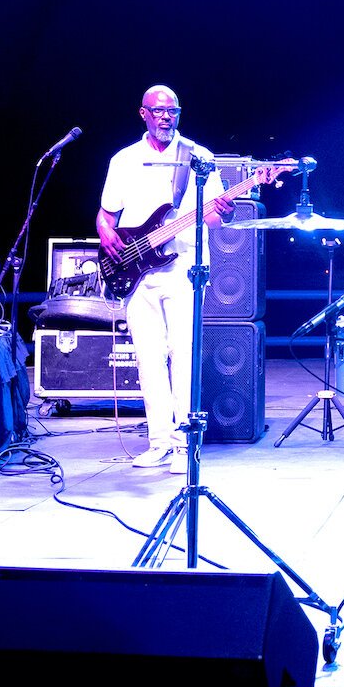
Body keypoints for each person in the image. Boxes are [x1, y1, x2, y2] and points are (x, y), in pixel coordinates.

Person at [96, 86, 233, 469]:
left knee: (184, 355)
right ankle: (158, 440)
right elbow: (106, 215)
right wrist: (107, 235)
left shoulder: (199, 157)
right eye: (158, 111)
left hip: (184, 267)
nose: (165, 117)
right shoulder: (124, 160)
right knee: (149, 357)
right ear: (143, 113)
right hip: (137, 271)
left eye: (172, 111)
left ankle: (184, 445)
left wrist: (225, 208)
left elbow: (215, 218)